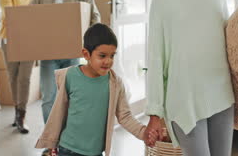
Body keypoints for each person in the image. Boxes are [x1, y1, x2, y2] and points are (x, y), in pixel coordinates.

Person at [145, 0, 235, 156]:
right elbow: (155, 58)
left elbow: (230, 44)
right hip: (184, 99)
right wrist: (155, 113)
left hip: (221, 94)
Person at [35, 23, 156, 156]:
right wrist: (52, 142)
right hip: (68, 149)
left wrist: (143, 133)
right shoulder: (70, 77)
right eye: (102, 56)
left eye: (112, 56)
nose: (108, 61)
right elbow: (59, 112)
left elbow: (125, 116)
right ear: (86, 54)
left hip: (95, 152)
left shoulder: (115, 83)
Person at [30, 0, 101, 156]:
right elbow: (29, 17)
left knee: (70, 100)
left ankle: (67, 143)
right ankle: (51, 144)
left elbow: (94, 16)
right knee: (49, 99)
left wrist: (88, 45)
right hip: (48, 55)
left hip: (71, 53)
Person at [0, 0, 37, 134]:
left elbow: (38, 15)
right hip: (10, 40)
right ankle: (16, 112)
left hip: (29, 41)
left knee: (25, 78)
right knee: (13, 77)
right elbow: (9, 14)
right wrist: (26, 16)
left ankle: (22, 116)